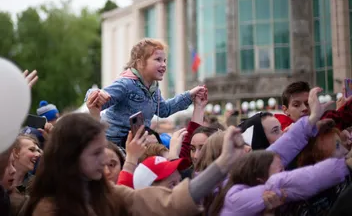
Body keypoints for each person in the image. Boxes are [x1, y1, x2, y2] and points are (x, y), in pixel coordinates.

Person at [25, 112, 244, 216]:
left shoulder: (107, 192)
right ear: (70, 156)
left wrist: (223, 163)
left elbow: (171, 201)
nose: (103, 160)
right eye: (96, 153)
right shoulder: (48, 209)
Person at [85, 38, 206, 145]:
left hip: (137, 142)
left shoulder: (154, 88)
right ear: (140, 62)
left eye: (165, 60)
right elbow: (93, 97)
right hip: (116, 144)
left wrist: (189, 95)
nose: (163, 64)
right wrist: (98, 95)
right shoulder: (126, 83)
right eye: (158, 59)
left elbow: (165, 110)